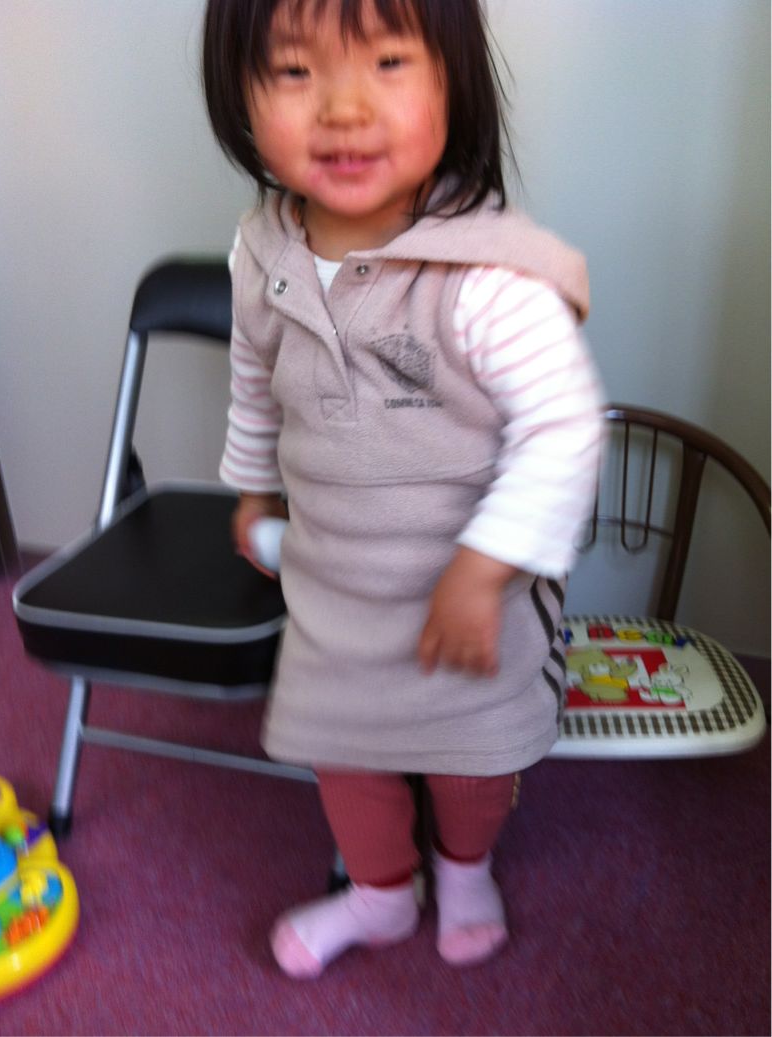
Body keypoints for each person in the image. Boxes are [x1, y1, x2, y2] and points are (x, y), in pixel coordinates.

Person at [202, 0, 604, 978]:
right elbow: (254, 382)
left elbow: (562, 430)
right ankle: (380, 893)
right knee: (344, 753)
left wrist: (482, 569)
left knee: (471, 764)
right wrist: (252, 489)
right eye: (295, 71)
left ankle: (465, 869)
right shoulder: (261, 252)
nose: (342, 108)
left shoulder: (488, 276)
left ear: (451, 81)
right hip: (337, 588)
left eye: (386, 63)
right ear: (240, 95)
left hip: (467, 600)